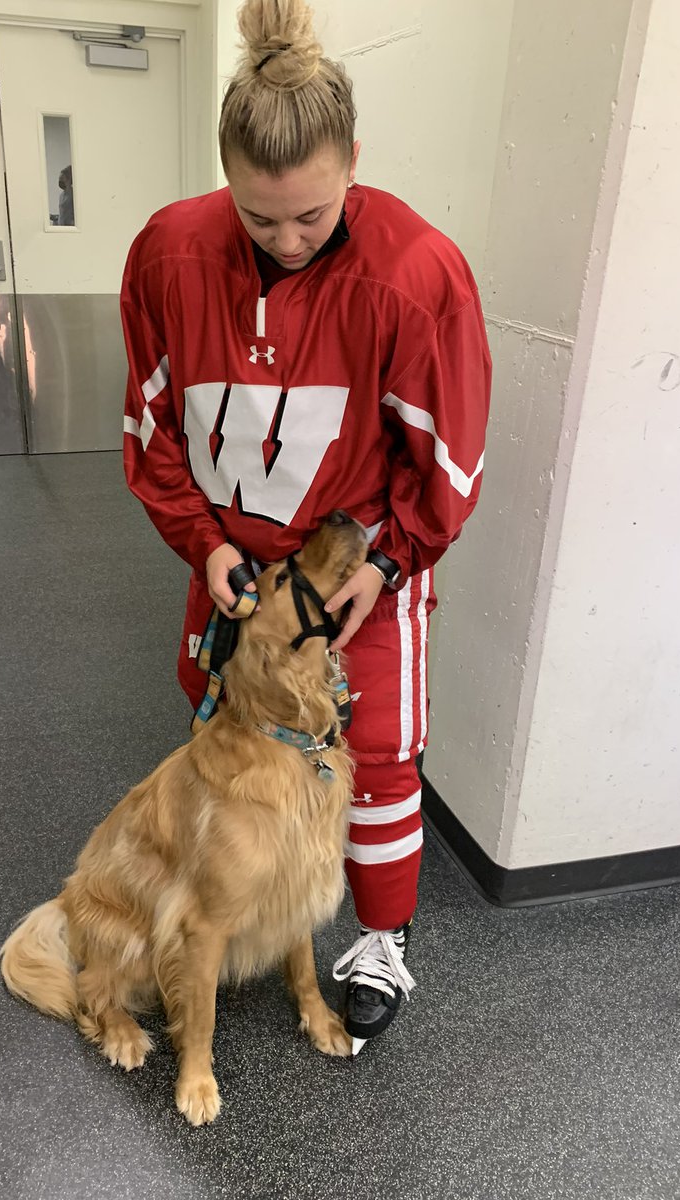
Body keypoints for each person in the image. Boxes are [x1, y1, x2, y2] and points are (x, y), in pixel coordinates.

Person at [120, 0, 491, 1051]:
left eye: (312, 217)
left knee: (372, 756)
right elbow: (151, 434)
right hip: (233, 562)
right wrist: (205, 540)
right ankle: (252, 899)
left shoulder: (418, 275)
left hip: (353, 568)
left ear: (355, 165)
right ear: (223, 180)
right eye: (258, 217)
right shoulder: (167, 253)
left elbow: (447, 461)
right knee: (224, 733)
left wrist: (396, 559)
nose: (285, 241)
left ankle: (377, 941)